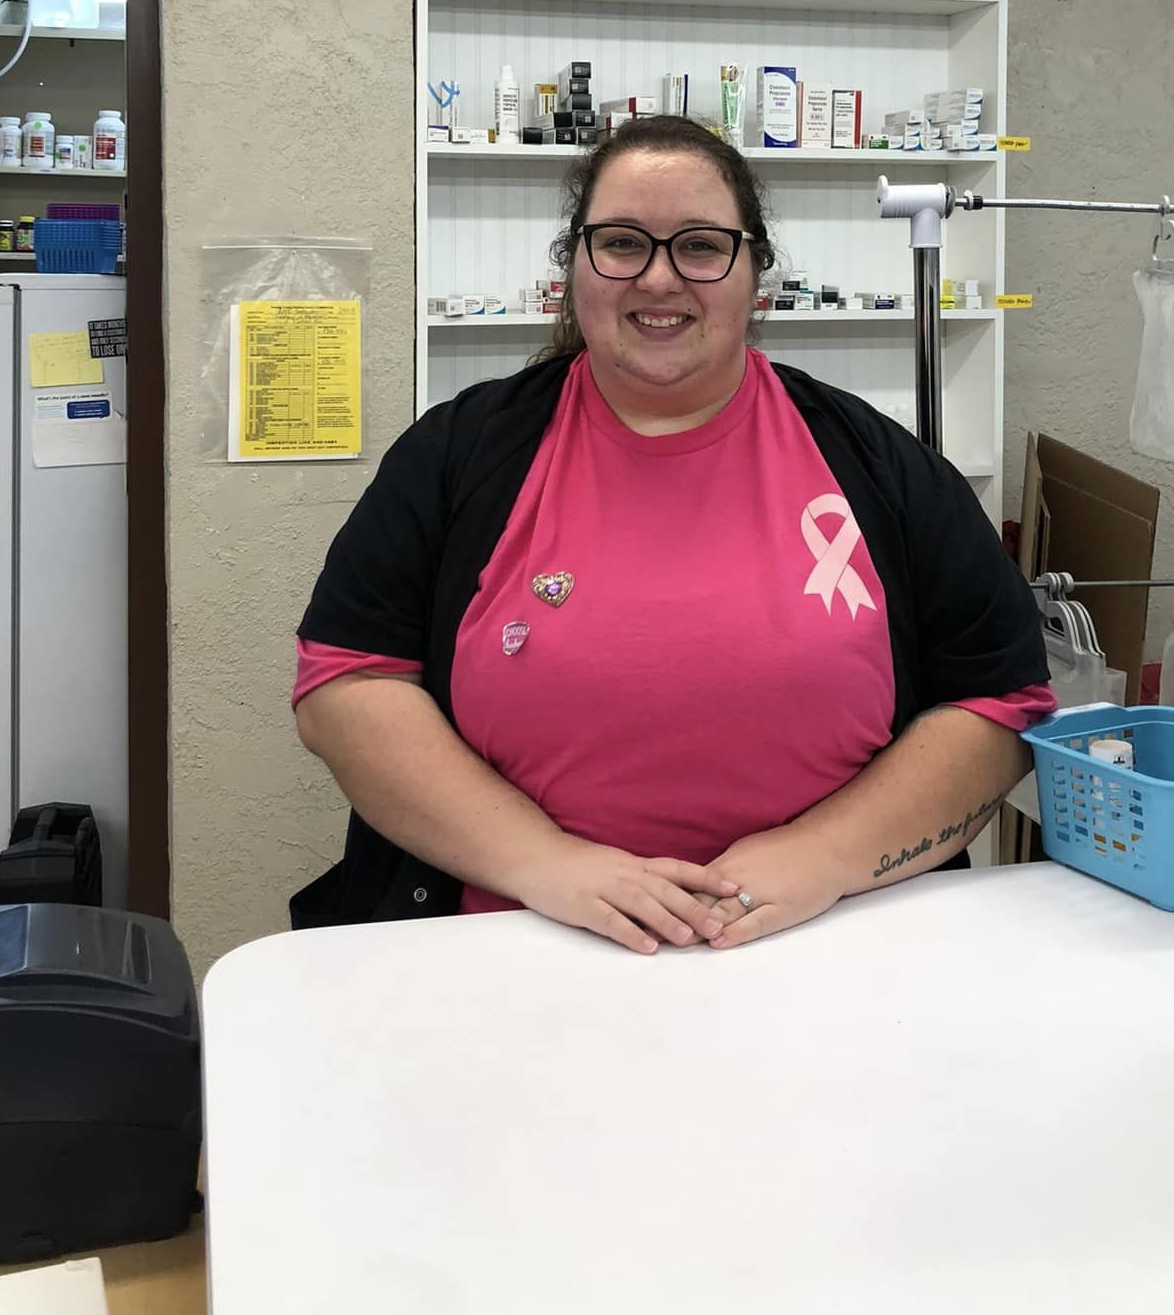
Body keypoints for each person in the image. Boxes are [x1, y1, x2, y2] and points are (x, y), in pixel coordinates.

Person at [293, 116, 1053, 953]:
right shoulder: (458, 456)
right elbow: (345, 685)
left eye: (700, 247)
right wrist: (544, 862)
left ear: (755, 274)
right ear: (574, 267)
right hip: (513, 946)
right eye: (622, 243)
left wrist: (826, 856)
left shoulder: (875, 466)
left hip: (830, 944)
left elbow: (1001, 701)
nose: (659, 279)